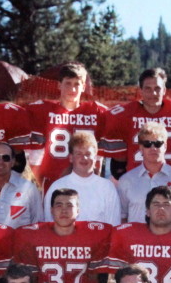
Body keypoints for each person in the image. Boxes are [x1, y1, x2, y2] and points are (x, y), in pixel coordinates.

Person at [100, 68, 171, 177]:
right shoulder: (124, 115)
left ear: (164, 90)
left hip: (170, 180)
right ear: (140, 90)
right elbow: (118, 159)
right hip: (136, 180)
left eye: (157, 88)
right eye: (148, 89)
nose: (153, 93)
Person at [25, 62, 109, 190]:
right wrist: (41, 180)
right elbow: (35, 154)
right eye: (68, 83)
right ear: (59, 85)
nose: (72, 89)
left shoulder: (97, 112)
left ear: (83, 87)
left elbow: (99, 153)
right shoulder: (43, 110)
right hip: (52, 181)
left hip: (86, 181)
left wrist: (95, 177)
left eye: (77, 84)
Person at [116, 122, 171, 223]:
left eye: (158, 143)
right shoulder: (126, 180)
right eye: (147, 144)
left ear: (165, 146)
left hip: (170, 238)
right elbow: (122, 217)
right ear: (141, 148)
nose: (153, 148)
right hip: (136, 238)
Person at [41, 132, 122, 226]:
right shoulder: (57, 187)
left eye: (88, 153)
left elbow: (113, 226)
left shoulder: (107, 187)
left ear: (95, 157)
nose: (84, 158)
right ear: (71, 158)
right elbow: (49, 226)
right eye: (79, 154)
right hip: (66, 241)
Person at [0, 142, 43, 228]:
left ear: (13, 162)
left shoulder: (28, 189)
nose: (0, 162)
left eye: (6, 158)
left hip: (20, 241)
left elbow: (38, 223)